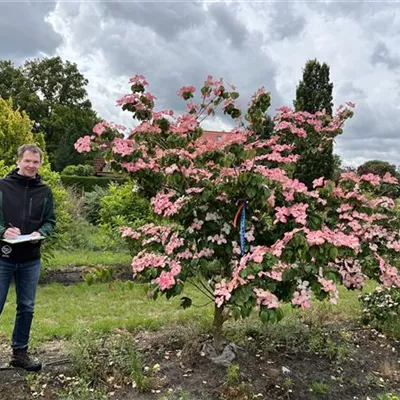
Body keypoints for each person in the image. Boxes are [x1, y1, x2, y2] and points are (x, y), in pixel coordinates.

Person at [0, 144, 56, 372]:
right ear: (18, 161)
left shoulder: (45, 191)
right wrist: (2, 231)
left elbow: (50, 221)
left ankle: (20, 353)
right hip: (2, 257)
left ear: (40, 164)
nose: (32, 165)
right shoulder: (2, 187)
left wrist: (41, 233)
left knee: (27, 307)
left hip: (30, 258)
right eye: (28, 161)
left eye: (36, 162)